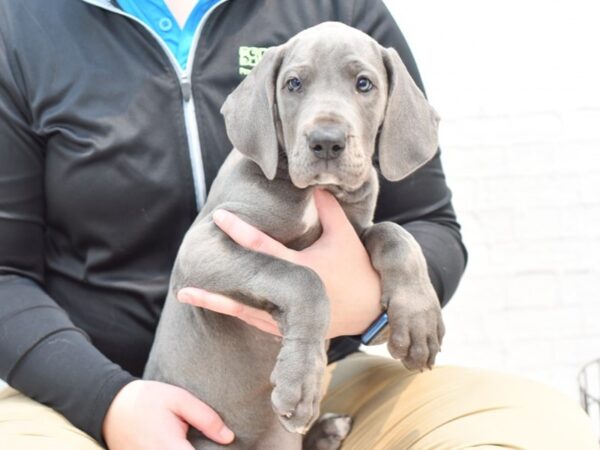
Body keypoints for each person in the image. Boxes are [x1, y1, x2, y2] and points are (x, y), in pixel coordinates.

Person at [0, 1, 597, 449]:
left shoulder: (335, 9)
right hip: (84, 391)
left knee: (540, 430)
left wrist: (372, 300)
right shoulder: (22, 26)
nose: (326, 120)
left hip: (321, 380)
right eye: (298, 86)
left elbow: (426, 219)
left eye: (361, 85)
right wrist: (109, 401)